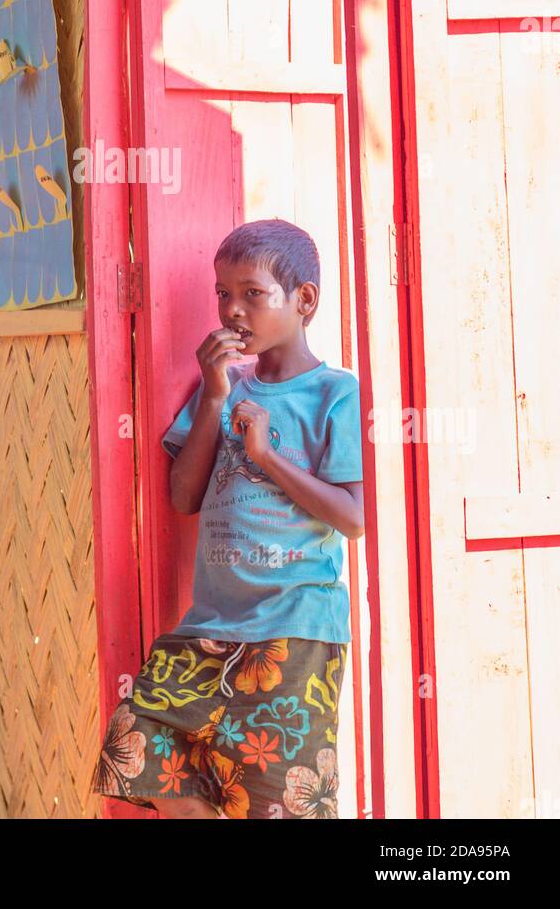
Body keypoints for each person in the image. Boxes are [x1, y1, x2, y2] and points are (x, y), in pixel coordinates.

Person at [92, 218, 364, 820]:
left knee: (278, 804)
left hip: (295, 631)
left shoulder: (334, 393)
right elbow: (183, 497)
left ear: (305, 300)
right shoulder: (220, 386)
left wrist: (265, 457)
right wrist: (213, 395)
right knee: (139, 743)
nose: (232, 309)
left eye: (252, 293)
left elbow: (352, 517)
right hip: (210, 627)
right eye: (222, 294)